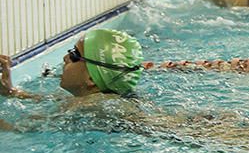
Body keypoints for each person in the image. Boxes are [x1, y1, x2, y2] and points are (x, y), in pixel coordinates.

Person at [1, 29, 143, 100]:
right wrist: (12, 92)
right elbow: (54, 100)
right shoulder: (98, 100)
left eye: (74, 55)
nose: (65, 58)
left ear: (91, 79)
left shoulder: (85, 105)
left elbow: (17, 126)